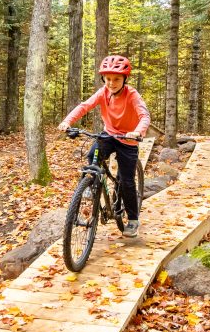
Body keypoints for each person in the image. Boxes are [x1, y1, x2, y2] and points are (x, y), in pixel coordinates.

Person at [58, 55, 151, 237]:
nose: (111, 83)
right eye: (108, 79)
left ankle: (133, 219)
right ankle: (91, 186)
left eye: (116, 79)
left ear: (125, 79)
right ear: (103, 79)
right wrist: (67, 122)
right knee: (92, 156)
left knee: (126, 181)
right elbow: (85, 106)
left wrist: (138, 131)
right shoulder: (103, 92)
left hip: (128, 139)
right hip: (109, 133)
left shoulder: (132, 95)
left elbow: (144, 115)